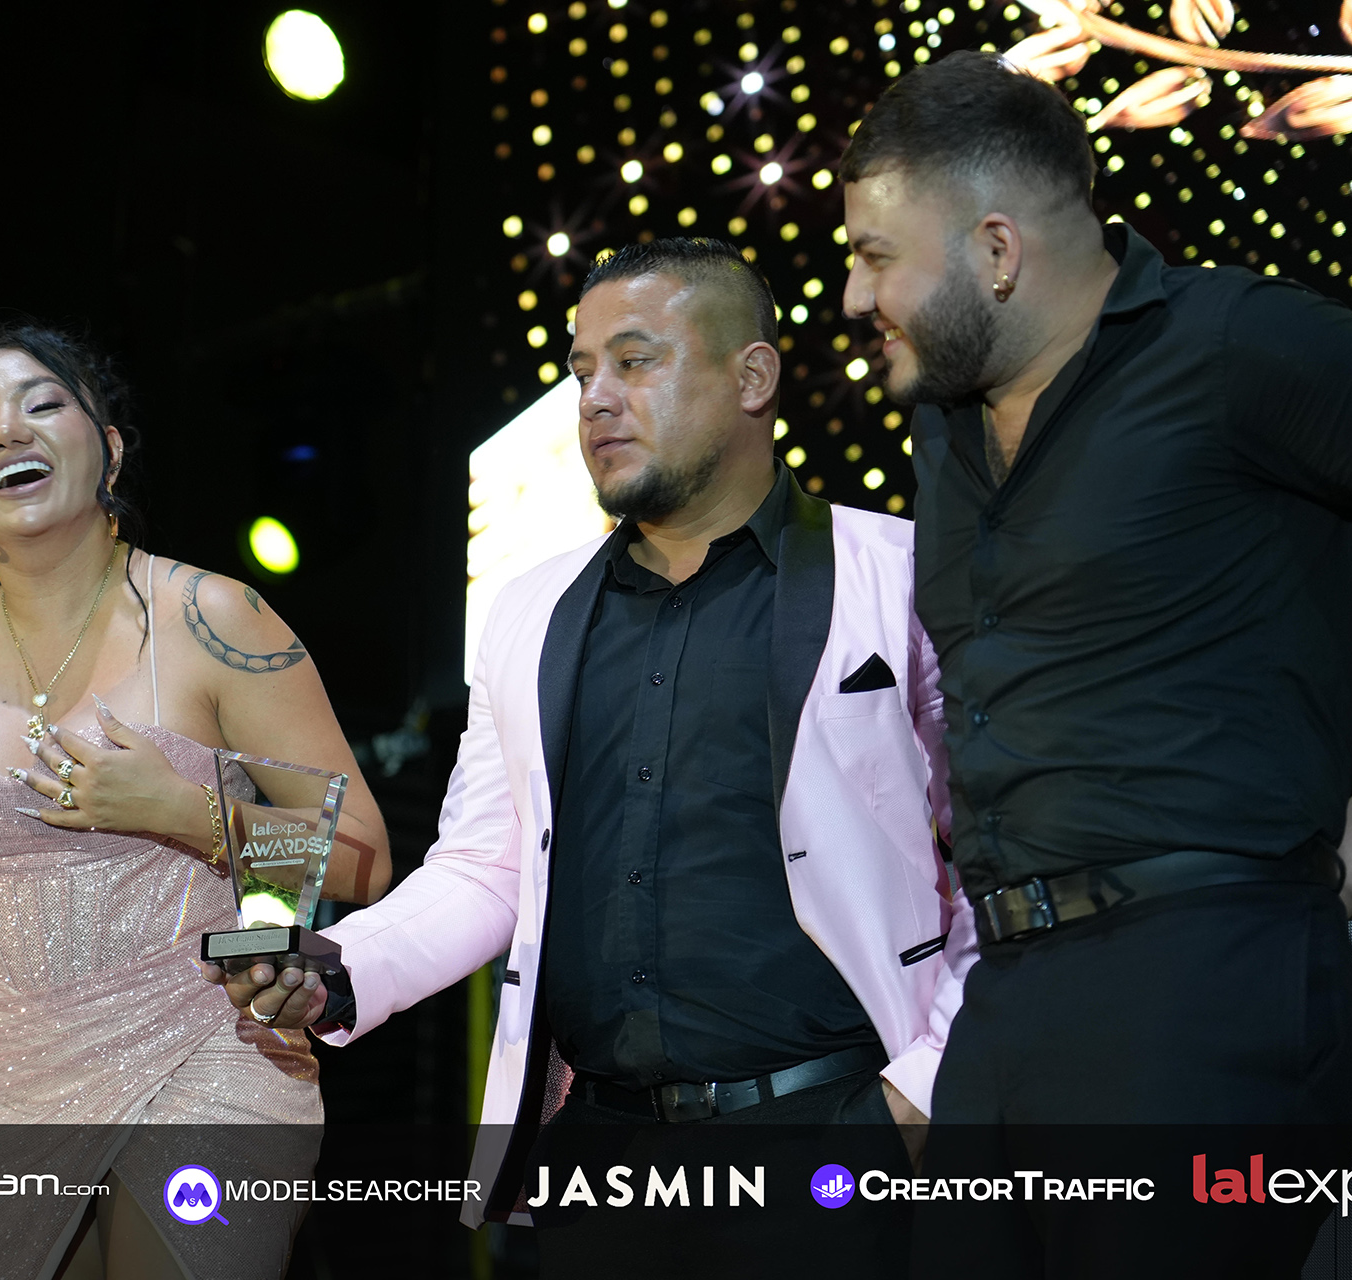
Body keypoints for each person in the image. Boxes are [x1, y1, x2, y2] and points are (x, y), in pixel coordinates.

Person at [213, 238, 973, 1277]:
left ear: (753, 376)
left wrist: (916, 1101)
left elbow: (1001, 863)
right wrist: (339, 971)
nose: (597, 399)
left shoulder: (902, 575)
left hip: (835, 1140)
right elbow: (485, 864)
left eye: (635, 360)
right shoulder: (531, 611)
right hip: (598, 1162)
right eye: (581, 372)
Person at [838, 51, 1352, 1274]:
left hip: (1205, 983)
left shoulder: (1235, 344)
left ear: (995, 251)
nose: (854, 296)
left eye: (873, 255)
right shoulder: (946, 432)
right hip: (1002, 1001)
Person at [0, 321, 390, 1280]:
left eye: (42, 404)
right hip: (6, 1091)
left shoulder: (214, 617)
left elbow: (362, 855)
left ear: (108, 448)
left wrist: (182, 810)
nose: (7, 432)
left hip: (207, 1054)